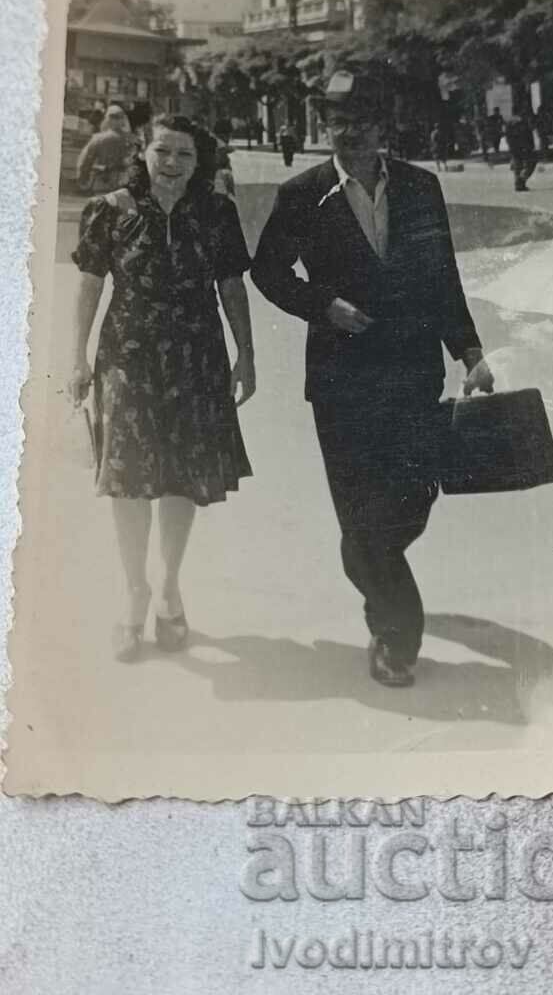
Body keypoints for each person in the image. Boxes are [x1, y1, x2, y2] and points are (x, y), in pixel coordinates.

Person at [251, 68, 493, 689]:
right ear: (324, 125)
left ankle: (377, 572)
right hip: (341, 381)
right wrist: (323, 304)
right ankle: (394, 632)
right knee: (362, 515)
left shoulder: (421, 187)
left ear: (382, 127)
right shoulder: (303, 194)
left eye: (359, 120)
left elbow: (443, 276)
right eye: (335, 121)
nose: (347, 132)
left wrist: (470, 352)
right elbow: (269, 272)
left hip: (413, 372)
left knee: (411, 501)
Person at [68, 114, 256, 662]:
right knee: (126, 478)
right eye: (162, 152)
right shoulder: (109, 210)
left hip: (197, 357)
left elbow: (231, 285)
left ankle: (169, 586)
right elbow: (88, 285)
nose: (172, 164)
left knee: (182, 475)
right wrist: (76, 358)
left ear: (199, 164)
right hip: (127, 356)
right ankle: (134, 593)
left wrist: (247, 352)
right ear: (142, 153)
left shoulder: (216, 213)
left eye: (184, 156)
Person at [76, 104, 133, 194]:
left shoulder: (98, 138)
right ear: (123, 121)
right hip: (124, 185)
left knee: (102, 206)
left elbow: (86, 160)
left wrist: (83, 178)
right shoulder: (130, 139)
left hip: (102, 182)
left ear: (107, 119)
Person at [505, 112, 537, 191]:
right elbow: (526, 136)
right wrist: (529, 147)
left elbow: (508, 137)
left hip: (514, 148)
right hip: (523, 148)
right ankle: (520, 181)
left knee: (517, 167)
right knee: (531, 163)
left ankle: (519, 185)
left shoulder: (510, 123)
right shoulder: (522, 123)